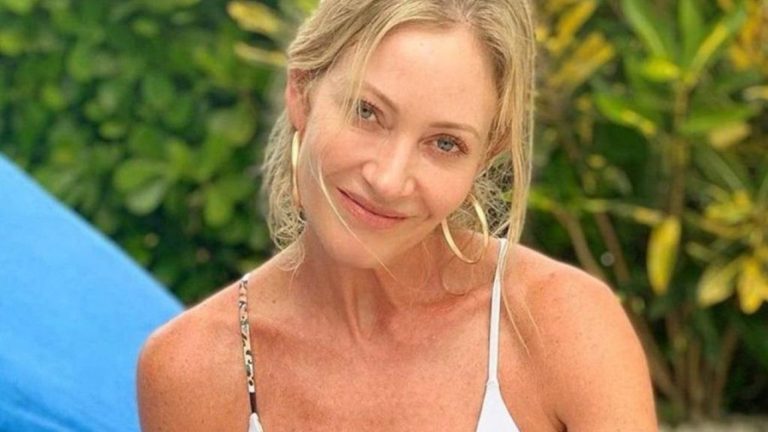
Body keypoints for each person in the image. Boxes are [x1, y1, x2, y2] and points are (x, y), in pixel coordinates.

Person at [136, 1, 657, 431]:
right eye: (367, 112)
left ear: (486, 155)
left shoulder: (562, 326)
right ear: (302, 93)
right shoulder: (194, 369)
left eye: (445, 143)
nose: (388, 179)